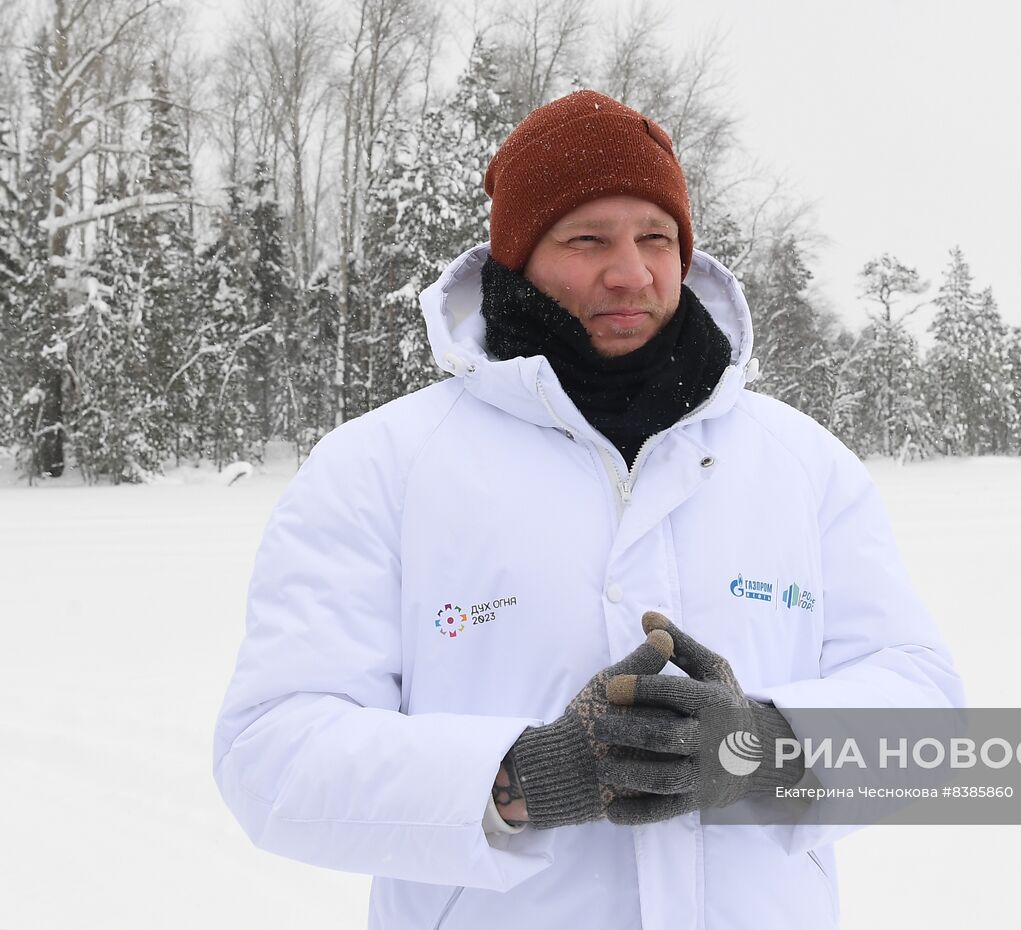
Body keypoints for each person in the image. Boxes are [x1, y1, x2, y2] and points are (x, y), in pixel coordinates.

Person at [212, 89, 964, 930]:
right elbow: (271, 753)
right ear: (518, 257)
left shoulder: (800, 463)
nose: (631, 272)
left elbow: (926, 709)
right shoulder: (383, 467)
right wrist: (521, 776)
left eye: (656, 237)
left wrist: (768, 750)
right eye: (587, 239)